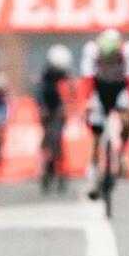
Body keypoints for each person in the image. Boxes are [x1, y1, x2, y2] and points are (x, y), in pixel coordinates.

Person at [79, 27, 129, 198]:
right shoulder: (91, 50)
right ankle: (92, 179)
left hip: (120, 88)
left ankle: (121, 153)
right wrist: (87, 101)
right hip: (100, 89)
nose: (109, 61)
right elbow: (87, 78)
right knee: (96, 136)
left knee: (127, 118)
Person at [37, 44, 73, 190]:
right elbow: (39, 93)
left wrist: (67, 107)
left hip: (58, 110)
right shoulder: (45, 75)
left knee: (57, 138)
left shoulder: (65, 76)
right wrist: (42, 108)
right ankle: (46, 163)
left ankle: (60, 169)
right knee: (47, 138)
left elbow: (69, 92)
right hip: (47, 109)